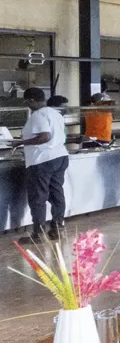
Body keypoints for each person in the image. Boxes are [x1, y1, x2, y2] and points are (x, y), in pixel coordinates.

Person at [18, 87, 68, 241]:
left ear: (32, 100)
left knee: (38, 197)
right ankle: (57, 228)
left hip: (42, 160)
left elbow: (44, 137)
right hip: (60, 156)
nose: (27, 105)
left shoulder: (38, 115)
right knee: (56, 193)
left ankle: (38, 234)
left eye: (27, 102)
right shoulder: (55, 113)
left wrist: (21, 143)